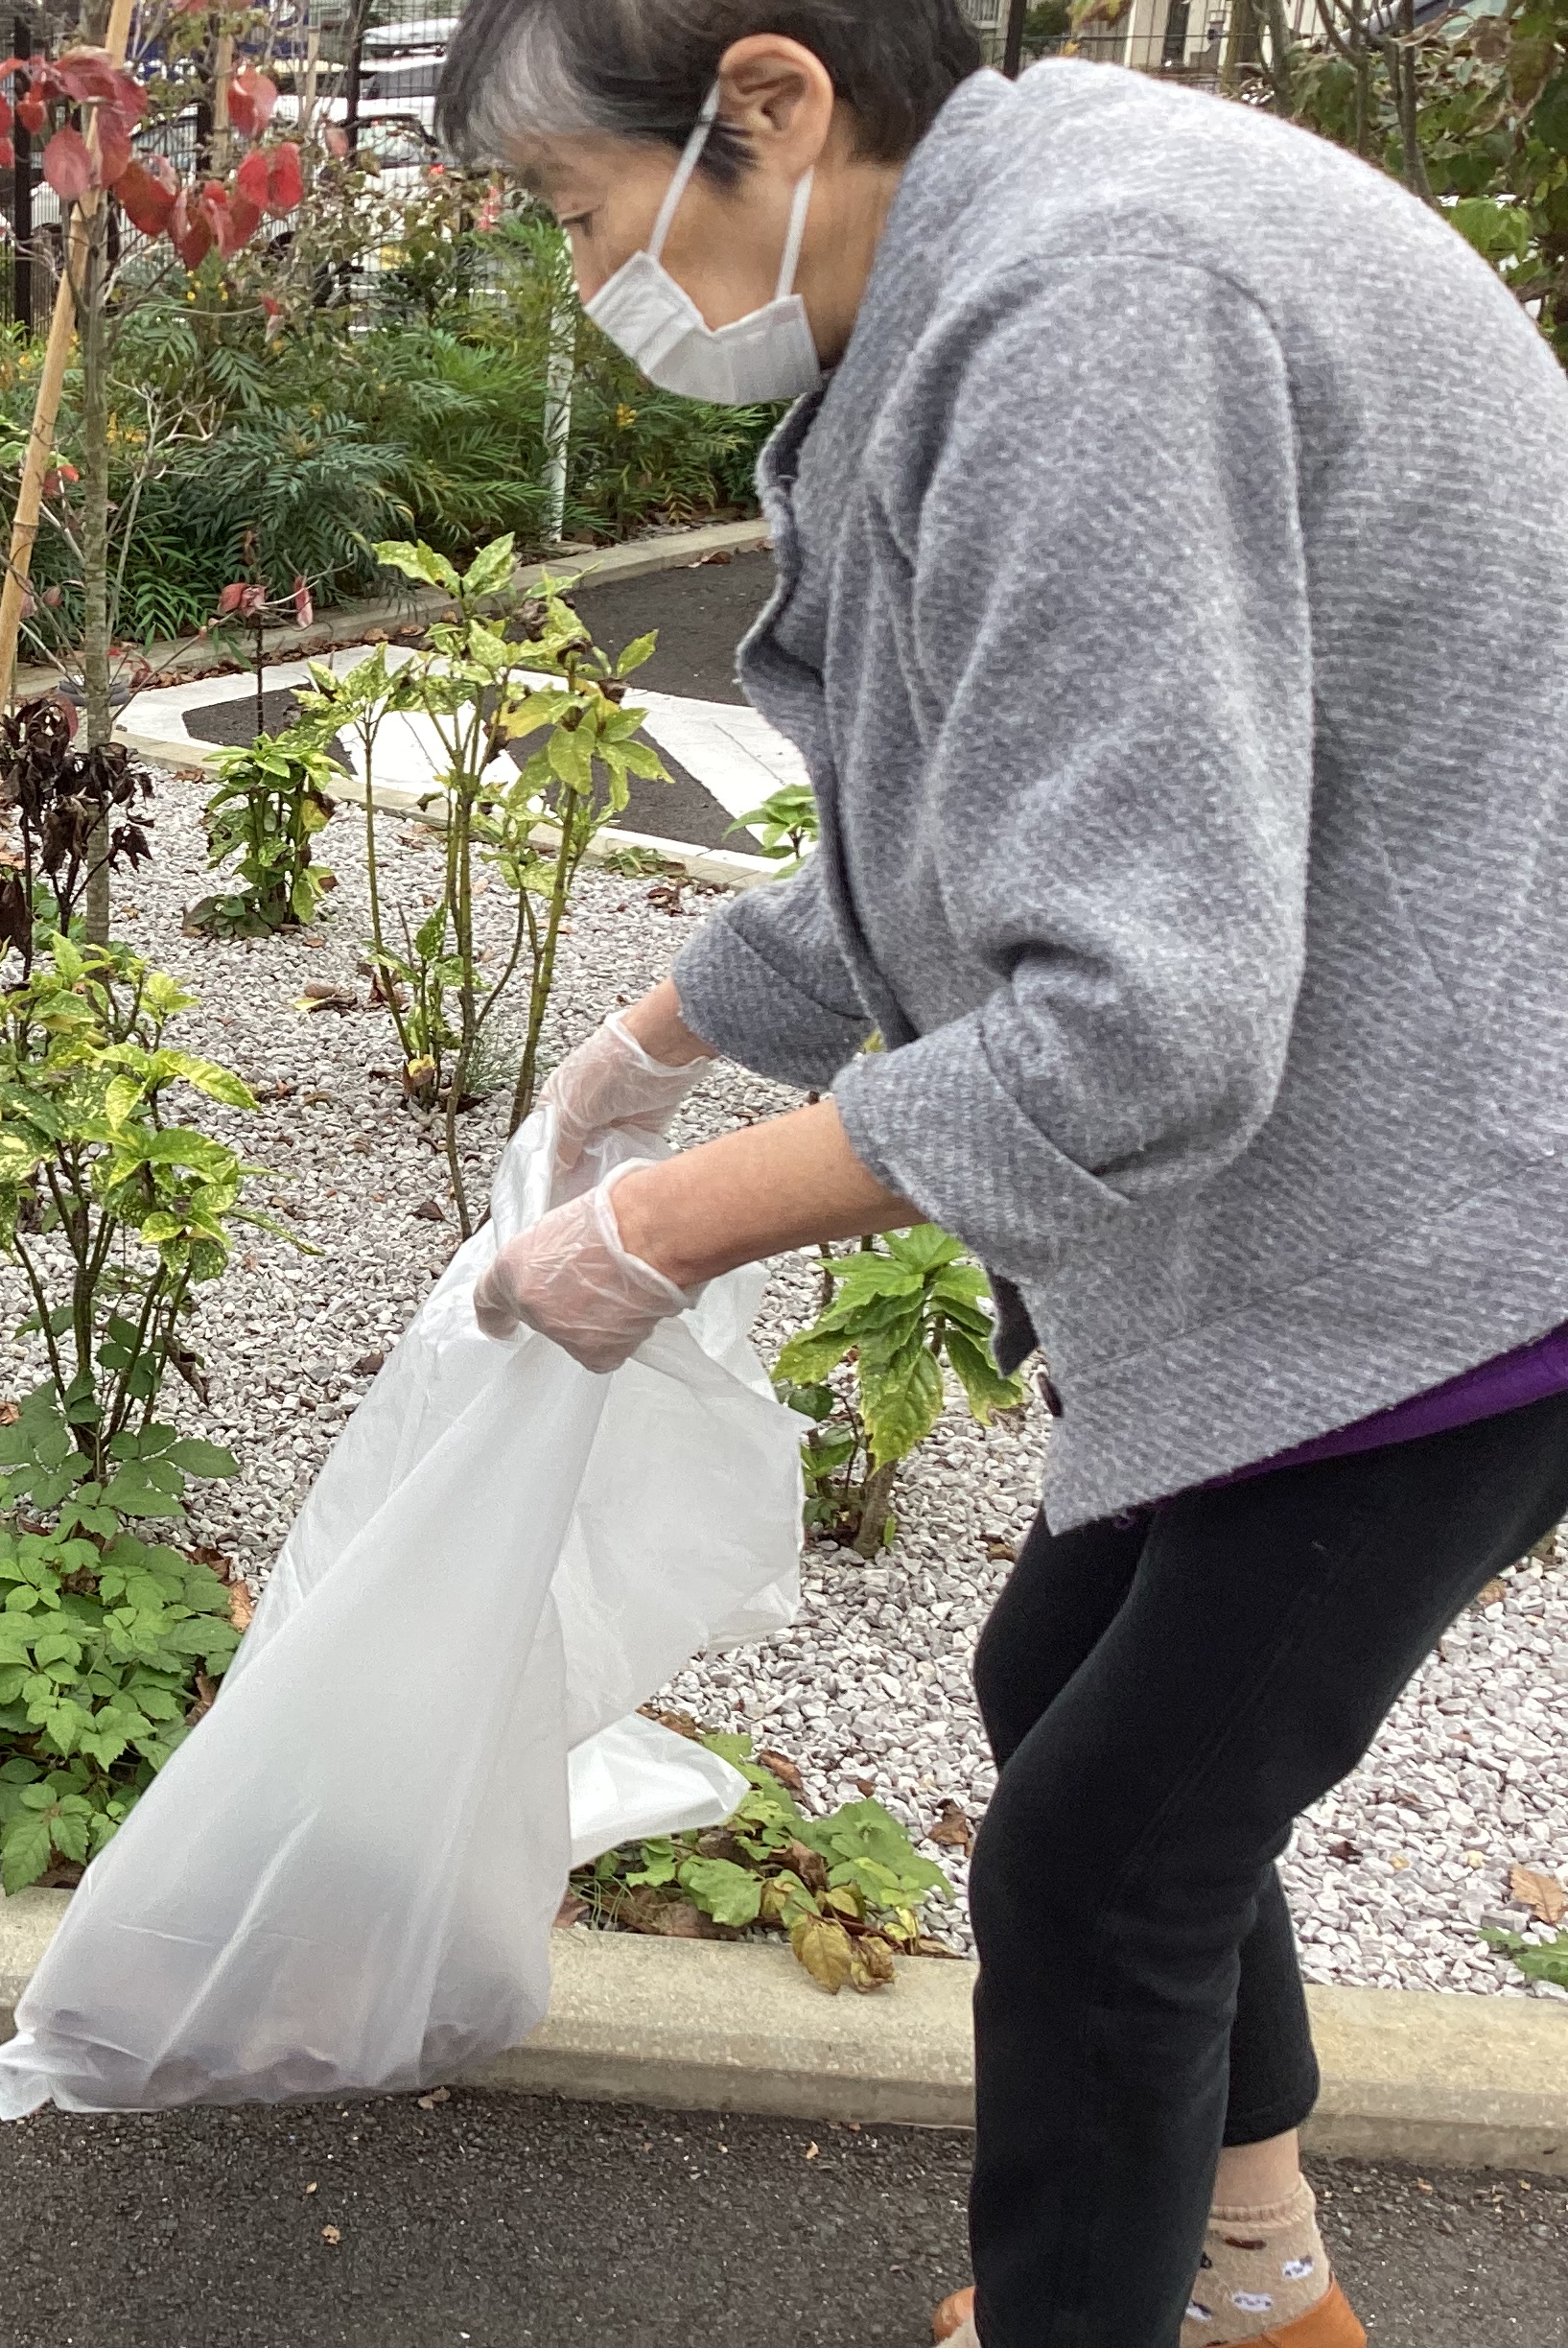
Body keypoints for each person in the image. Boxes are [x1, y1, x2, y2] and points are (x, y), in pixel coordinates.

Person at [436, 8, 1568, 2347]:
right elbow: (959, 829)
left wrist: (652, 1229)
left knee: (1100, 1871)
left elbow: (1138, 1026)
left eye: (574, 214)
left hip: (1463, 1221)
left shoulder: (1093, 307)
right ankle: (1256, 2278)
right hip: (1375, 1158)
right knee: (1066, 1685)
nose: (588, 287)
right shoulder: (981, 280)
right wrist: (658, 1041)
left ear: (770, 102)